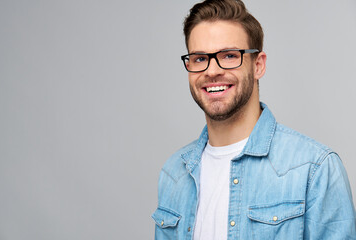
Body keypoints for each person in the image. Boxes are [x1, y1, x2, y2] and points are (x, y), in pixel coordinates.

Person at [152, 0, 356, 239]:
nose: (211, 71)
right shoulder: (173, 173)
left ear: (258, 65)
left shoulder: (315, 169)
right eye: (199, 59)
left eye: (228, 55)